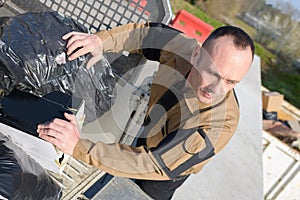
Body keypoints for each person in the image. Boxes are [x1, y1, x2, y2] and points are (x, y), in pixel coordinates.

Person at [37, 22, 254, 200]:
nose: (216, 89)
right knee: (120, 163)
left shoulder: (216, 126)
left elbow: (152, 163)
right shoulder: (180, 48)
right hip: (153, 126)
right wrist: (101, 41)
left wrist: (79, 146)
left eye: (231, 82)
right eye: (212, 73)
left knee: (138, 194)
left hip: (166, 168)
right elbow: (146, 34)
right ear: (196, 55)